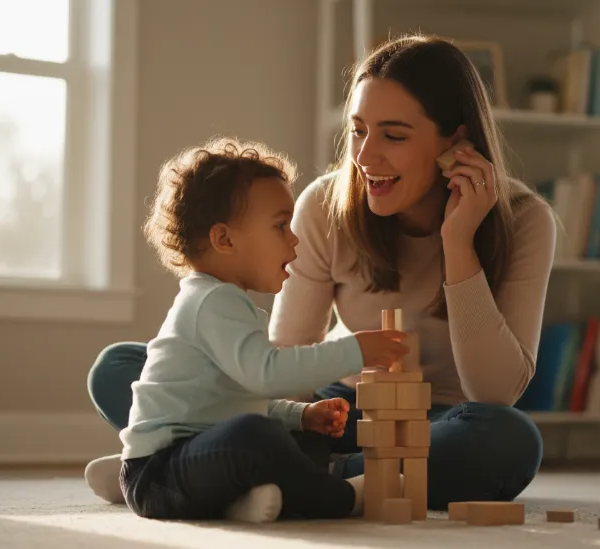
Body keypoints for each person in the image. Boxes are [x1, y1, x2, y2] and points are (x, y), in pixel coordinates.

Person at [86, 33, 556, 512]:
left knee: (510, 440)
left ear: (455, 141)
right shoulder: (324, 206)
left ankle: (224, 470)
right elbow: (283, 364)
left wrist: (458, 242)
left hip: (444, 421)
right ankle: (269, 468)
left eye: (393, 136)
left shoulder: (525, 220)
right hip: (338, 410)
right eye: (357, 130)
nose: (366, 157)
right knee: (121, 367)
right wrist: (303, 415)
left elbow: (495, 393)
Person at [109, 137, 409, 522]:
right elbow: (267, 375)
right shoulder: (212, 302)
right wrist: (356, 351)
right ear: (225, 239)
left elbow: (240, 396)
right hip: (160, 472)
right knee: (254, 437)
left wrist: (300, 416)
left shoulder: (229, 302)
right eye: (281, 226)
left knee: (287, 436)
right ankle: (339, 497)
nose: (295, 239)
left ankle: (243, 501)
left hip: (190, 461)